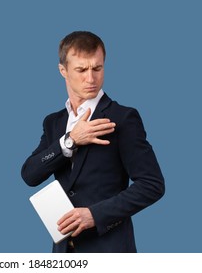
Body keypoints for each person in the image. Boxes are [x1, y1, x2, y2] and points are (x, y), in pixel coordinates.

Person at [21, 31, 165, 253]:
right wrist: (69, 141)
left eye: (97, 68)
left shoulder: (123, 118)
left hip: (111, 251)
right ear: (63, 71)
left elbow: (152, 185)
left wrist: (94, 215)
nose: (91, 78)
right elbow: (30, 174)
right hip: (63, 253)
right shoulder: (53, 122)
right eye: (81, 70)